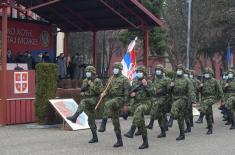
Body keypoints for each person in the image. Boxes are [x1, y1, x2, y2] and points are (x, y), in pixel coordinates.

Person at [67, 66, 103, 143]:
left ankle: (75, 117)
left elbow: (99, 91)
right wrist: (82, 92)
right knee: (90, 120)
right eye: (86, 72)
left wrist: (92, 85)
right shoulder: (85, 80)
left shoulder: (97, 80)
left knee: (84, 101)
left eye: (89, 72)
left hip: (94, 100)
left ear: (93, 72)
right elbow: (82, 90)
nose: (87, 73)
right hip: (87, 99)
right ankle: (95, 137)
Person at [99, 62, 130, 147]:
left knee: (107, 104)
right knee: (115, 121)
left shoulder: (125, 79)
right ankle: (119, 141)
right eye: (114, 68)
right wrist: (104, 93)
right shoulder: (110, 79)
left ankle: (103, 124)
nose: (115, 70)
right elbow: (107, 90)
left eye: (117, 68)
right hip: (113, 100)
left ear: (120, 70)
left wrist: (126, 105)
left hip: (120, 99)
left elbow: (127, 93)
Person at [124, 66, 154, 149]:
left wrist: (146, 85)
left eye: (140, 72)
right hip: (136, 103)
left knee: (139, 110)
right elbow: (131, 93)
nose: (138, 73)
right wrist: (132, 95)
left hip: (145, 103)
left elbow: (153, 92)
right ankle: (145, 142)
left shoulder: (149, 82)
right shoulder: (135, 81)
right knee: (141, 123)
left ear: (144, 73)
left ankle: (132, 130)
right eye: (137, 72)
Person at [170, 64, 196, 140]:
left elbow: (191, 91)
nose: (178, 71)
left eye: (180, 70)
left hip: (184, 98)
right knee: (180, 117)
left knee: (175, 105)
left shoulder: (187, 80)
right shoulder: (174, 79)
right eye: (178, 69)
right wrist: (171, 86)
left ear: (183, 71)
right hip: (175, 98)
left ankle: (170, 120)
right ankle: (182, 134)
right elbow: (169, 90)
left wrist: (193, 100)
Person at [146, 64, 171, 138]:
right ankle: (163, 132)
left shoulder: (166, 79)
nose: (157, 71)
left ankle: (151, 123)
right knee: (160, 117)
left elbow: (169, 90)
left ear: (162, 71)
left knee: (155, 106)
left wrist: (169, 87)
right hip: (155, 97)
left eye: (159, 70)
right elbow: (152, 88)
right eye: (156, 69)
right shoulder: (155, 79)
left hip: (163, 98)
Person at [199, 67, 223, 134]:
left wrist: (222, 100)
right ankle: (210, 128)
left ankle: (200, 117)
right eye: (205, 73)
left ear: (211, 74)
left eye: (208, 73)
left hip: (212, 97)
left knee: (206, 104)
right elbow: (199, 91)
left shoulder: (215, 81)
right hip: (204, 98)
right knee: (208, 114)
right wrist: (200, 87)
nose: (206, 74)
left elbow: (220, 91)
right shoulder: (203, 81)